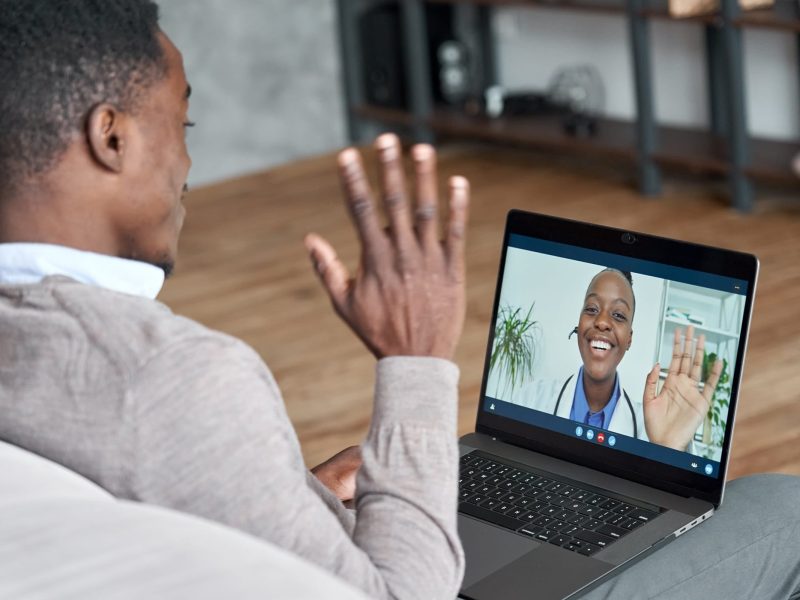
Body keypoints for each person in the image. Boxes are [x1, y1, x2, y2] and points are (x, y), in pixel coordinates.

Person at [0, 2, 798, 600]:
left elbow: (158, 503)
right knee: (784, 506)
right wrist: (414, 356)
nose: (186, 162)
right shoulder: (175, 378)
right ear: (111, 137)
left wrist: (291, 495)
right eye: (184, 121)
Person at [509, 268, 721, 452]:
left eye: (618, 315)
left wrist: (668, 449)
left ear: (629, 339)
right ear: (579, 323)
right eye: (592, 309)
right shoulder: (531, 398)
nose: (602, 322)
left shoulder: (651, 428)